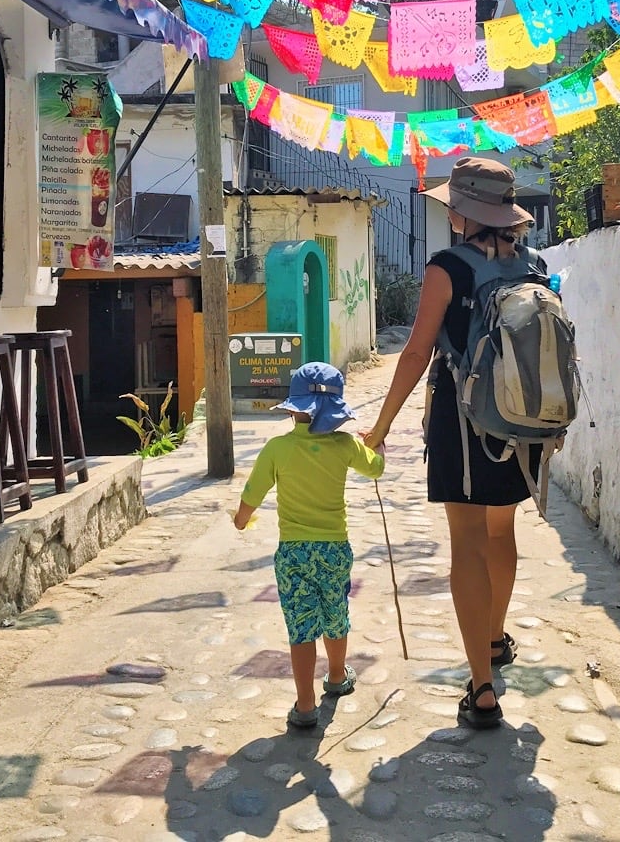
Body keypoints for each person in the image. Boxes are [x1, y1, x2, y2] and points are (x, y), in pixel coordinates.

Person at [361, 157, 551, 730]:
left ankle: (483, 688)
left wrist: (381, 425)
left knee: (466, 541)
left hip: (464, 417)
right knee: (501, 530)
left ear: (461, 213)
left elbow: (417, 352)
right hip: (523, 421)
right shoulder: (534, 264)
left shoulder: (446, 267)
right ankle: (493, 638)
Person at [232, 362, 385, 730]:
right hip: (334, 549)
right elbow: (376, 468)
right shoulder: (345, 446)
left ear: (295, 408)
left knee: (301, 627)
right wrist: (376, 443)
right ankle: (335, 675)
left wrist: (240, 520)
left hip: (293, 553)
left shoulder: (277, 449)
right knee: (336, 613)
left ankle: (304, 705)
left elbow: (252, 494)